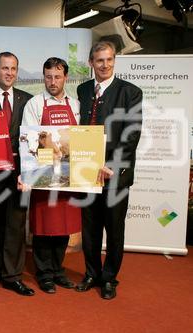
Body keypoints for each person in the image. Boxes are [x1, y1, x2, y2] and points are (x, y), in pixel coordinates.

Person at [75, 41, 142, 300]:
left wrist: (111, 165)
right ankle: (92, 273)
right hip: (86, 172)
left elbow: (132, 132)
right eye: (99, 60)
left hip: (115, 174)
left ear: (115, 61)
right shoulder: (82, 90)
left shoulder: (130, 92)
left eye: (109, 60)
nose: (105, 65)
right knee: (90, 227)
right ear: (91, 63)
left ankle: (109, 278)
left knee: (114, 229)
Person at [20, 57, 81, 294]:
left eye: (57, 76)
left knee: (64, 227)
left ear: (65, 77)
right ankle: (44, 273)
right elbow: (30, 141)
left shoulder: (75, 104)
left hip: (69, 175)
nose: (52, 81)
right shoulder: (35, 104)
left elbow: (84, 135)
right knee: (44, 227)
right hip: (44, 173)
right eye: (48, 77)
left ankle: (58, 270)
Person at [0, 52, 35, 296]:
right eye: (5, 68)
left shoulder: (28, 100)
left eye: (14, 68)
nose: (9, 73)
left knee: (16, 223)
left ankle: (13, 275)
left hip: (20, 171)